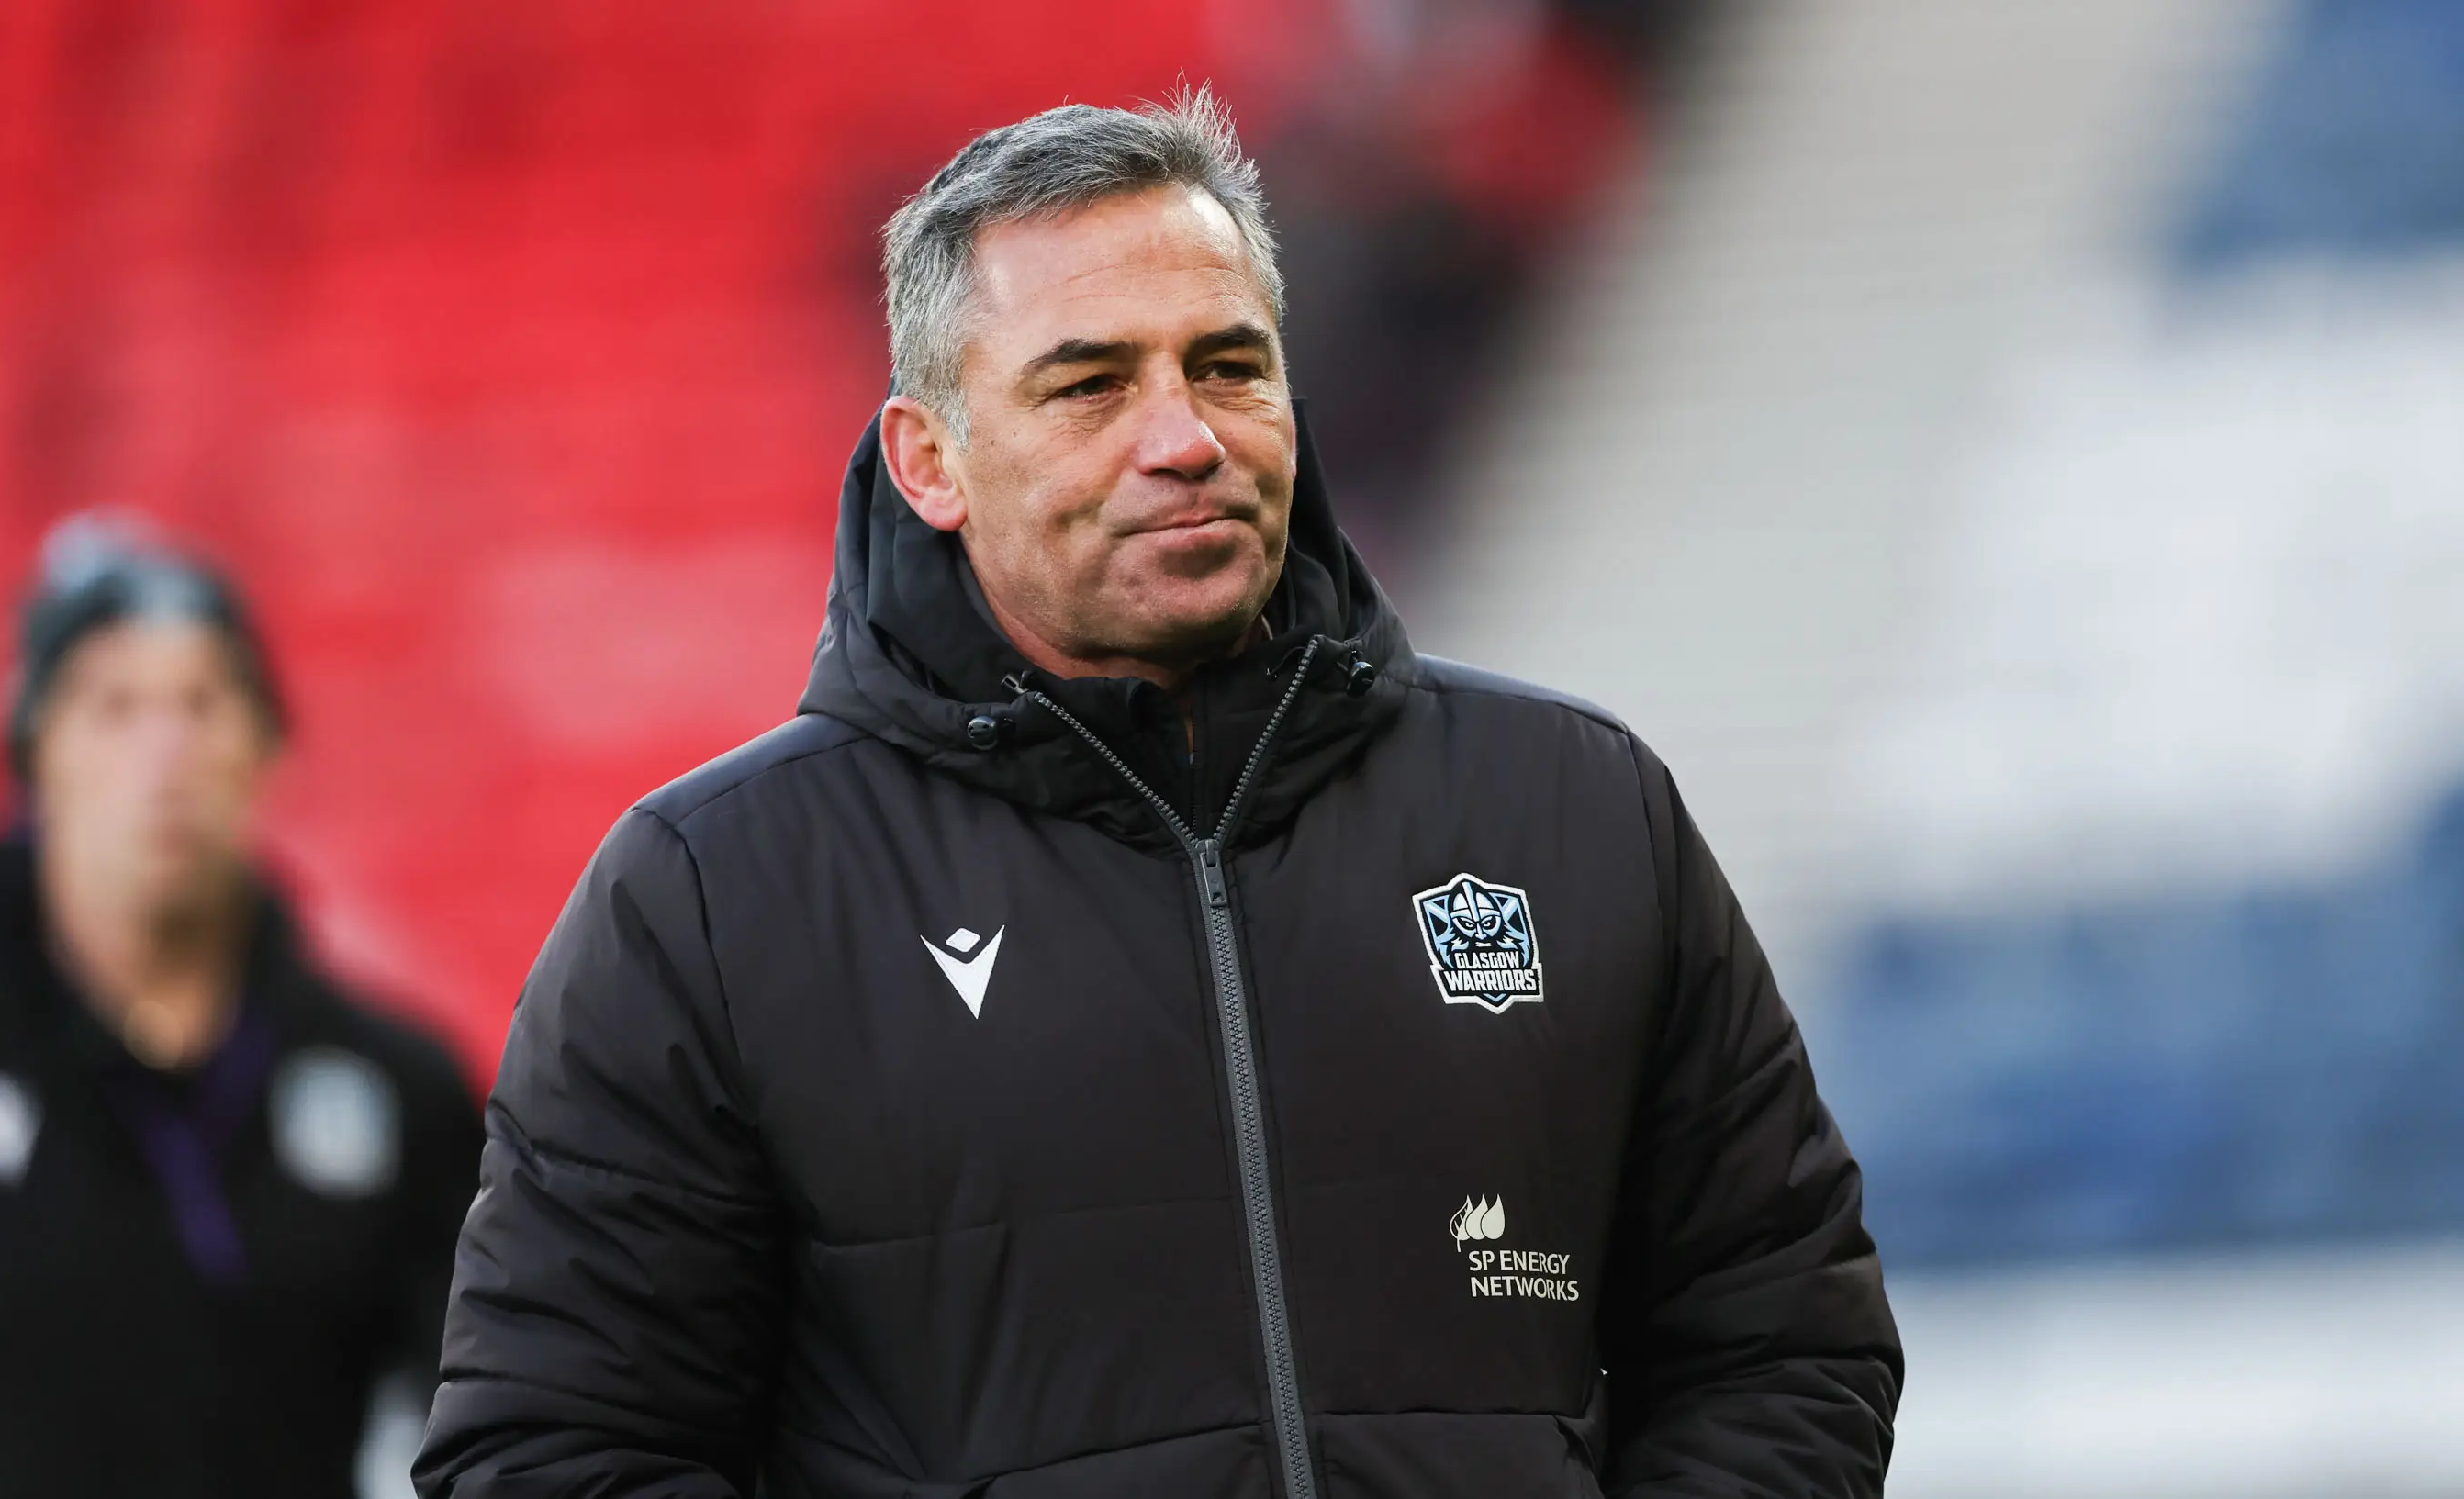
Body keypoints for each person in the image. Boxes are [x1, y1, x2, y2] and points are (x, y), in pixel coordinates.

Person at [419, 89, 1900, 1499]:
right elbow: (552, 1448)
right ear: (930, 460)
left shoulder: (1575, 805)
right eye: (1089, 384)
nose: (1184, 436)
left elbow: (1778, 1334)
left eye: (1229, 364)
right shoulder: (712, 895)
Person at [0, 518, 484, 1499]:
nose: (167, 750)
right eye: (113, 706)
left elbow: (484, 1420)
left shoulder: (403, 1092)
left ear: (267, 750)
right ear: (34, 757)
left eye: (204, 700)